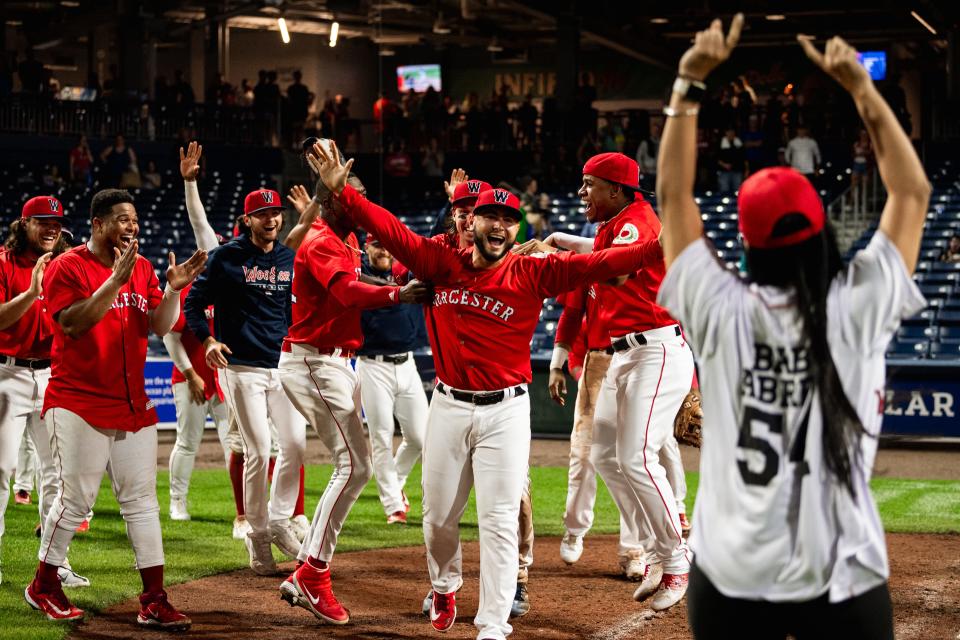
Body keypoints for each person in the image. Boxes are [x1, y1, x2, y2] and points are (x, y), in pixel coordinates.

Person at [313, 140, 667, 640]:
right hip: (450, 406)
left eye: (509, 220)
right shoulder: (440, 262)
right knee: (438, 518)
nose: (499, 226)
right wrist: (345, 197)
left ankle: (494, 623)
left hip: (507, 410)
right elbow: (390, 232)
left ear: (515, 229)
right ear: (471, 222)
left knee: (499, 518)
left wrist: (667, 244)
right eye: (489, 217)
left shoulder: (532, 270)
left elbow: (604, 264)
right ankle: (444, 584)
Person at [655, 16, 929, 639]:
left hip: (729, 577)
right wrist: (861, 88)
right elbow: (910, 192)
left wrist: (688, 83)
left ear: (747, 248)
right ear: (821, 233)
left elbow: (673, 198)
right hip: (843, 577)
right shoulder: (858, 306)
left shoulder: (719, 307)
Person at [29, 189, 206, 627]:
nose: (132, 227)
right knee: (76, 500)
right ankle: (43, 585)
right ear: (98, 224)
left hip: (131, 402)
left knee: (143, 501)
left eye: (135, 220)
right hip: (77, 400)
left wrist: (172, 290)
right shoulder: (67, 265)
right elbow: (71, 323)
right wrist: (114, 281)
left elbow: (159, 325)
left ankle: (153, 598)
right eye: (123, 220)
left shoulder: (142, 267)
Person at [277, 170, 428, 624]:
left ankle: (309, 567)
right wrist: (397, 293)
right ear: (335, 201)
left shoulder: (348, 240)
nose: (362, 203)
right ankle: (313, 573)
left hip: (335, 361)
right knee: (356, 465)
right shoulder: (323, 239)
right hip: (314, 361)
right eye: (354, 196)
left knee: (357, 464)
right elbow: (345, 291)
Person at [184, 182, 306, 575]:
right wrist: (207, 340)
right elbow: (193, 304)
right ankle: (257, 538)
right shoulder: (226, 257)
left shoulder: (289, 258)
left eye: (275, 213)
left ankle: (278, 521)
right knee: (259, 450)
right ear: (247, 219)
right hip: (241, 368)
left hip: (282, 366)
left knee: (295, 447)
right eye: (262, 214)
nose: (270, 219)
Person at [0, 196, 90, 590]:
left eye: (57, 222)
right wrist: (32, 290)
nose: (52, 228)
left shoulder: (65, 264)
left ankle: (55, 564)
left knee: (57, 474)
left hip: (52, 375)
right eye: (43, 222)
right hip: (8, 373)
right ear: (24, 224)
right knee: (1, 470)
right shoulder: (3, 261)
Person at [164, 143, 237, 524]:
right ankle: (178, 502)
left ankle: (242, 510)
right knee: (187, 442)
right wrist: (191, 374)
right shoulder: (191, 285)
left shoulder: (232, 287)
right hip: (189, 373)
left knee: (232, 441)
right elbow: (170, 335)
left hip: (223, 374)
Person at [356, 232, 428, 524]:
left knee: (420, 438)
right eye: (376, 245)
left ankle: (395, 485)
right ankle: (393, 506)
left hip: (407, 363)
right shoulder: (358, 274)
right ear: (366, 248)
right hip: (373, 365)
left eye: (387, 245)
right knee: (382, 436)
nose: (383, 250)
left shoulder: (406, 271)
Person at [716, 127, 745, 193]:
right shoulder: (720, 143)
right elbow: (716, 158)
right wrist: (724, 165)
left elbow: (743, 157)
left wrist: (746, 169)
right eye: (729, 131)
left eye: (732, 131)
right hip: (724, 171)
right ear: (726, 133)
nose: (731, 133)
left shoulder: (739, 142)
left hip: (737, 170)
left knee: (738, 191)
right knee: (724, 190)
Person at [636, 122, 662, 192]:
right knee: (648, 192)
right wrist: (642, 168)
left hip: (658, 172)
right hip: (647, 172)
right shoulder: (645, 143)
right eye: (654, 130)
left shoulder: (661, 142)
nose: (655, 132)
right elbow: (639, 156)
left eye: (657, 130)